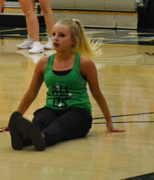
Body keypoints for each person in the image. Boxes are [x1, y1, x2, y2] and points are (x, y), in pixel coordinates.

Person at [7, 19, 123, 151]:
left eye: (61, 35)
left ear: (72, 40)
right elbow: (31, 93)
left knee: (60, 125)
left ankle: (42, 138)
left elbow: (97, 93)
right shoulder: (44, 63)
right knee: (41, 120)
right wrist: (18, 116)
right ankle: (24, 138)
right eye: (53, 34)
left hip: (78, 113)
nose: (55, 38)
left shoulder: (84, 63)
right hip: (52, 109)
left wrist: (109, 121)